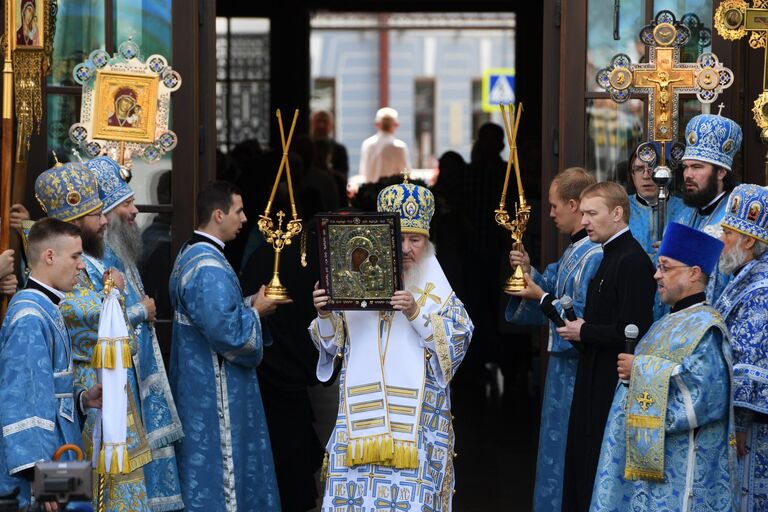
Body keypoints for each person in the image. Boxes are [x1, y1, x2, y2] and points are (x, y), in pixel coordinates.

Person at [309, 173, 474, 511]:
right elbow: (332, 346)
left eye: (415, 240)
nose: (405, 249)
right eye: (399, 238)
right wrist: (325, 314)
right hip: (358, 427)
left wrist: (416, 313)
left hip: (417, 429)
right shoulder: (354, 282)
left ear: (427, 242)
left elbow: (458, 341)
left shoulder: (438, 290)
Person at [35, 160, 155, 511]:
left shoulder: (95, 264)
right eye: (97, 213)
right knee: (73, 499)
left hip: (103, 400)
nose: (105, 221)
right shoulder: (47, 284)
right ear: (75, 222)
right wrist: (113, 296)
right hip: (75, 409)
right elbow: (85, 320)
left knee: (115, 496)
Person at [591, 222, 736, 511]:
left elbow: (705, 397)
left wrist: (641, 369)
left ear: (694, 273)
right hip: (646, 472)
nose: (657, 275)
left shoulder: (706, 328)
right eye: (658, 266)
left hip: (681, 475)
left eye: (665, 268)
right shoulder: (662, 324)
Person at [169, 181, 288, 512]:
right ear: (218, 214)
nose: (245, 218)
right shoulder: (208, 266)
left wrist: (249, 302)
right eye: (239, 211)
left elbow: (212, 314)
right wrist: (257, 311)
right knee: (221, 469)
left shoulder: (192, 252)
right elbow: (228, 334)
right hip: (213, 388)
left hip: (197, 381)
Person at [88, 156, 185, 511]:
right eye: (126, 203)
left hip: (134, 383)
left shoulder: (119, 249)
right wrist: (140, 311)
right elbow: (90, 324)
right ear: (108, 212)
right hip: (115, 390)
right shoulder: (93, 257)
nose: (134, 210)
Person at [505, 167, 603, 511]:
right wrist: (529, 273)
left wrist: (538, 294)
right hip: (564, 376)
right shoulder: (574, 250)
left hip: (579, 373)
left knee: (569, 457)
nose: (550, 213)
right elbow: (552, 285)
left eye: (554, 206)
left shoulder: (595, 254)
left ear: (574, 205)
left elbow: (578, 315)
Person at [557, 181, 656, 512]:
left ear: (617, 213)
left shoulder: (631, 261)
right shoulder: (610, 255)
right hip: (594, 374)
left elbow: (632, 330)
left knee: (595, 458)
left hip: (610, 381)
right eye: (582, 213)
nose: (584, 221)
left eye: (591, 213)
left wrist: (585, 332)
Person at [0, 218, 102, 511]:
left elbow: (47, 392)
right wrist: (39, 478)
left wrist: (82, 400)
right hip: (41, 468)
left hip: (57, 455)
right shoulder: (30, 317)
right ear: (49, 256)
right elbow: (21, 400)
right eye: (75, 256)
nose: (81, 266)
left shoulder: (47, 307)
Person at [713, 184, 768, 511]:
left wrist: (741, 424)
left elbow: (754, 361)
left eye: (726, 232)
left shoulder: (761, 288)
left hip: (752, 428)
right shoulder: (746, 275)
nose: (720, 241)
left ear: (747, 241)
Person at [675, 113, 742, 303]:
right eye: (686, 167)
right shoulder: (683, 215)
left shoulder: (736, 218)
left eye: (697, 167)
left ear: (721, 172)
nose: (688, 174)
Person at [624, 145, 688, 256]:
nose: (646, 176)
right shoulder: (622, 209)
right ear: (632, 175)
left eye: (652, 168)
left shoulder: (686, 210)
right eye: (639, 169)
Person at [358, 107, 410, 183]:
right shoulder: (399, 147)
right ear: (396, 125)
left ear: (377, 125)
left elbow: (363, 173)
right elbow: (406, 175)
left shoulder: (367, 145)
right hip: (391, 193)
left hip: (370, 192)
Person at [310, 110, 349, 175]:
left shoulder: (339, 150)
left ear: (331, 126)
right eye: (318, 121)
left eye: (325, 122)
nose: (321, 125)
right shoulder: (306, 147)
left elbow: (343, 176)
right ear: (311, 124)